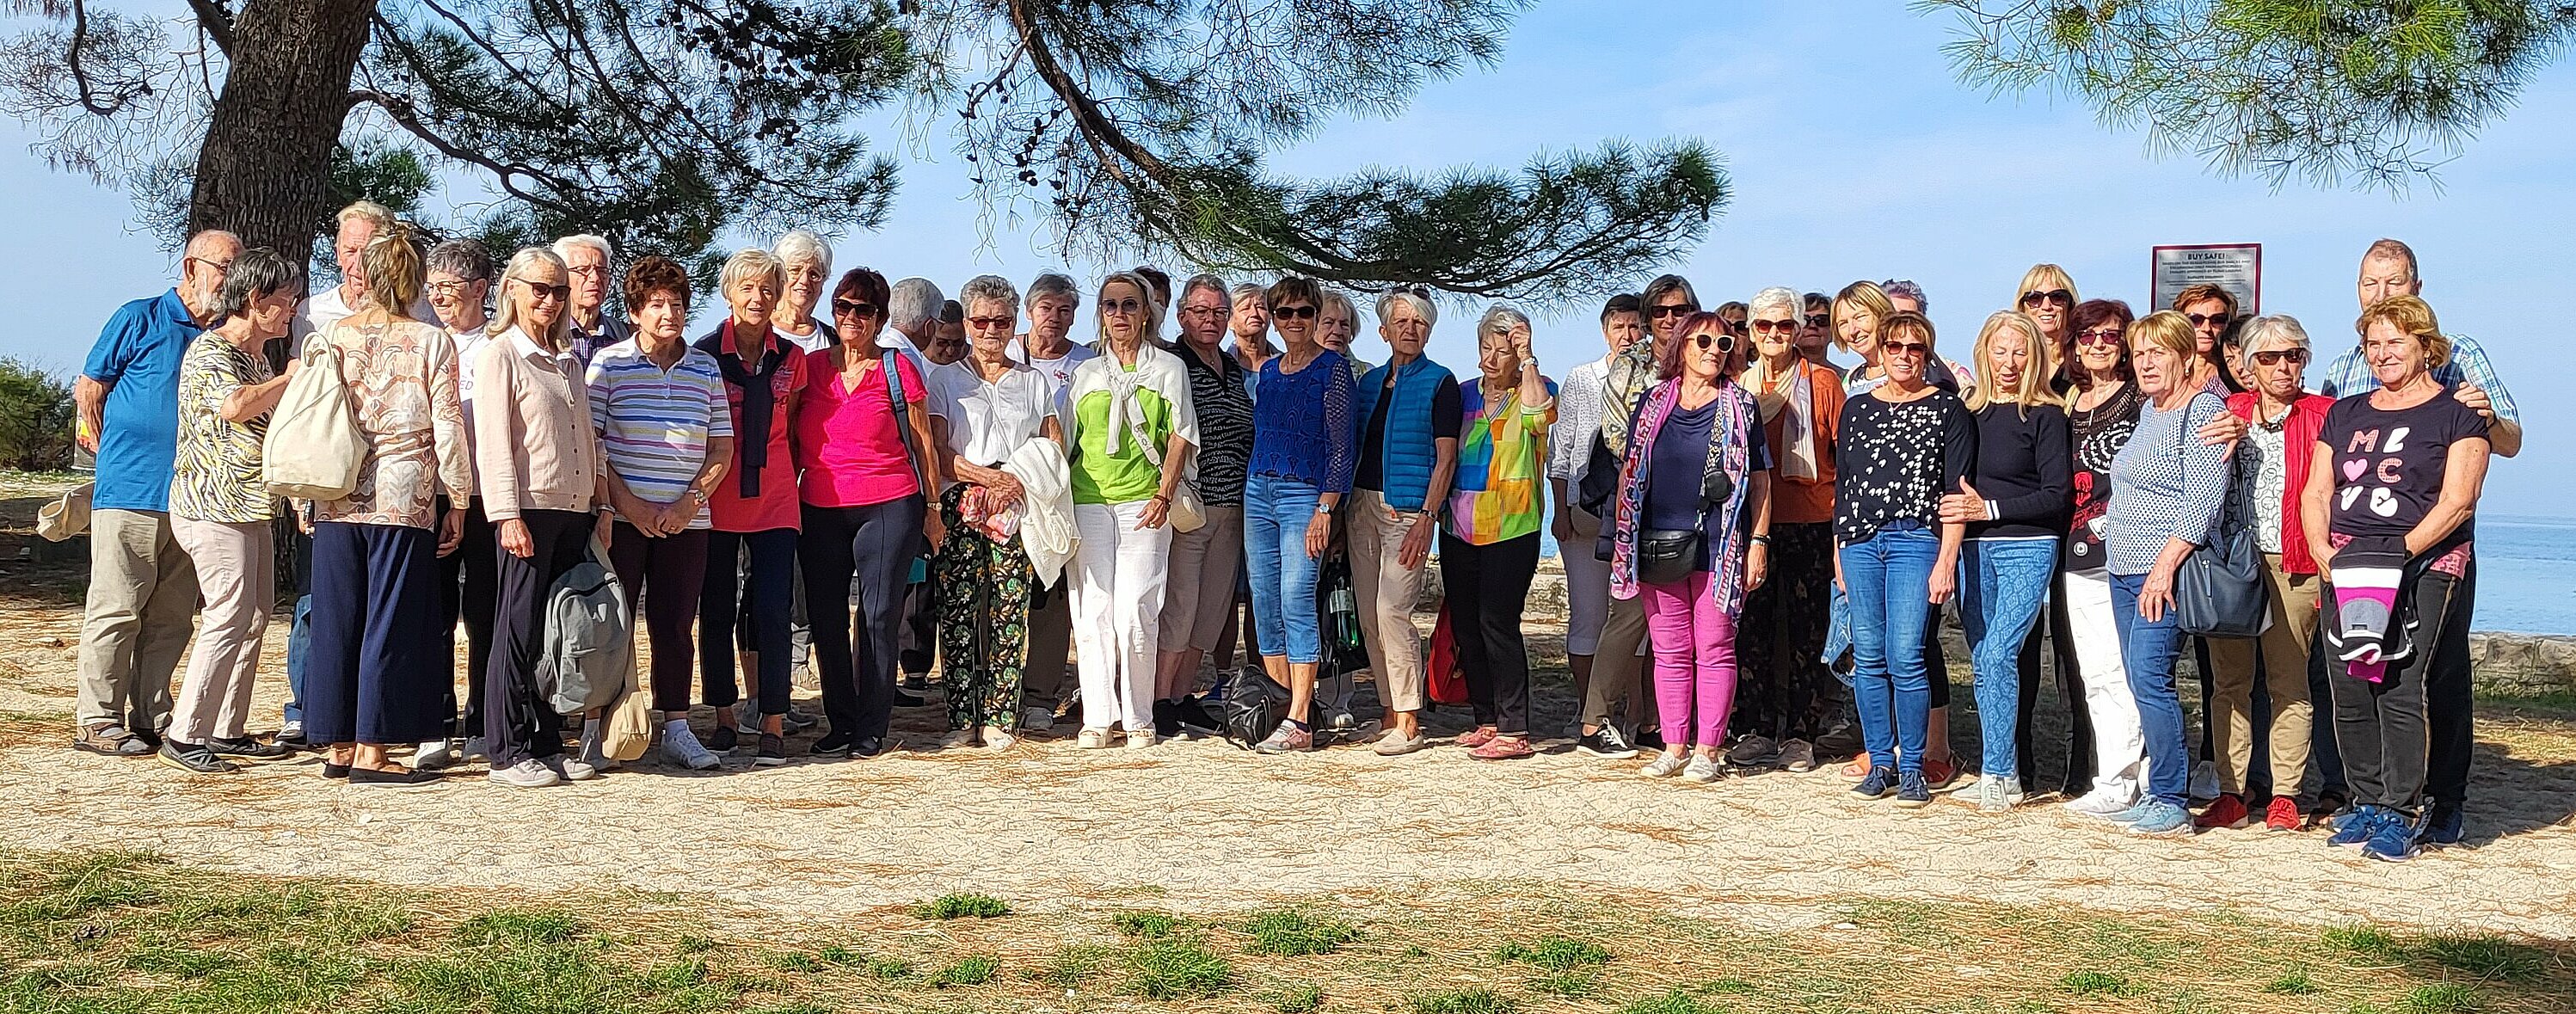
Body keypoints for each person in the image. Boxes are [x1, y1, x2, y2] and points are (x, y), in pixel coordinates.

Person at [2315, 239, 2519, 847]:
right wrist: (2325, 548)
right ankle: (2368, 799)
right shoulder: (2345, 374)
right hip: (2353, 557)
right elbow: (2324, 474)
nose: (2380, 296)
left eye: (2392, 283)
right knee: (2354, 678)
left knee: (2426, 677)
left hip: (2429, 553)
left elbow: (2490, 458)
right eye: (2368, 284)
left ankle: (2433, 802)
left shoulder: (2461, 370)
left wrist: (2486, 416)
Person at [303, 225, 470, 788]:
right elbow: (448, 427)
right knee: (388, 618)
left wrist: (304, 494)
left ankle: (338, 743)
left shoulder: (331, 336)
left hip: (337, 487)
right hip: (403, 493)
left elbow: (311, 416)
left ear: (368, 276)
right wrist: (459, 498)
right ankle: (373, 749)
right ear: (415, 280)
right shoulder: (431, 341)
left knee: (336, 618)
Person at [70, 228, 237, 757]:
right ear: (191, 269)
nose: (231, 280)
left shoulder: (225, 336)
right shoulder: (138, 317)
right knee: (117, 608)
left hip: (194, 499)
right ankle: (97, 719)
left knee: (170, 617)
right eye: (225, 269)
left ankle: (151, 716)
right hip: (130, 493)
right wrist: (108, 449)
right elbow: (90, 388)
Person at [1610, 310, 1772, 783]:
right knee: (1669, 649)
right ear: (1681, 345)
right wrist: (1623, 537)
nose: (1713, 351)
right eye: (1703, 341)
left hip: (1720, 544)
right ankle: (1674, 745)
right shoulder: (1652, 401)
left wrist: (1758, 542)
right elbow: (1630, 471)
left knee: (1716, 646)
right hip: (1656, 542)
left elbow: (1760, 481)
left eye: (1723, 344)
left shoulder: (1742, 406)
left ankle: (1709, 750)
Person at [588, 255, 735, 771]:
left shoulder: (705, 368)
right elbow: (594, 445)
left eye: (676, 303)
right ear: (634, 312)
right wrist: (629, 506)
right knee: (611, 625)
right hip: (622, 522)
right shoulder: (608, 365)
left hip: (686, 522)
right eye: (656, 304)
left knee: (675, 626)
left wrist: (687, 504)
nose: (669, 313)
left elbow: (721, 448)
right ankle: (599, 731)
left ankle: (676, 726)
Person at [158, 247, 300, 773]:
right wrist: (291, 377)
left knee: (256, 614)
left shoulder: (256, 359)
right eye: (285, 300)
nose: (291, 310)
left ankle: (225, 727)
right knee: (227, 614)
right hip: (212, 507)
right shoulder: (210, 351)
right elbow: (235, 406)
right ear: (256, 299)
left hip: (250, 505)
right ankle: (186, 733)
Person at [475, 246, 612, 785]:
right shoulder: (500, 355)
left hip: (573, 511)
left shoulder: (568, 359)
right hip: (528, 511)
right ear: (513, 290)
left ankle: (548, 742)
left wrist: (600, 504)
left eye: (559, 290)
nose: (551, 300)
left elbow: (590, 440)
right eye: (540, 289)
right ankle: (506, 749)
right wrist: (506, 515)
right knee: (516, 629)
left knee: (556, 631)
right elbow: (493, 443)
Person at [796, 267, 938, 759]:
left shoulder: (897, 369)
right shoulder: (811, 368)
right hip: (820, 506)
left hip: (889, 504)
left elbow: (923, 442)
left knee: (877, 616)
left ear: (879, 318)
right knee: (826, 618)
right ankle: (841, 721)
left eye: (864, 310)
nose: (852, 318)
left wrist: (933, 508)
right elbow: (787, 434)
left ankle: (871, 727)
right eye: (843, 307)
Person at [2100, 310, 2231, 836]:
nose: (2146, 363)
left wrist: (2163, 569)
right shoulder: (2150, 412)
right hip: (2123, 567)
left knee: (2152, 677)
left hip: (2164, 572)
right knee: (2138, 679)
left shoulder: (2203, 411)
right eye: (2139, 354)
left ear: (2185, 357)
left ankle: (2171, 799)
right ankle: (2158, 790)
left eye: (2158, 353)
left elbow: (2203, 501)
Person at [1835, 311, 1974, 808]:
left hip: (1916, 540)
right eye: (1895, 346)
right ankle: (1880, 762)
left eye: (1915, 348)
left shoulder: (1948, 408)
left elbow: (1957, 493)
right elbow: (1844, 486)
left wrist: (1947, 559)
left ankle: (1913, 767)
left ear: (1927, 354)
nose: (1904, 356)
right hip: (1860, 542)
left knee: (1907, 654)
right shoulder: (1856, 409)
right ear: (1882, 349)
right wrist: (1838, 551)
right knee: (1868, 655)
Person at [2197, 315, 2330, 832]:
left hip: (2295, 563)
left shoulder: (2325, 415)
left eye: (2293, 355)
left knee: (2289, 680)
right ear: (2248, 365)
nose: (2282, 367)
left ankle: (2285, 794)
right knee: (2230, 681)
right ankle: (2232, 791)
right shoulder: (2227, 411)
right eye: (2269, 357)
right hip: (2233, 564)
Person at [1938, 311, 2070, 812]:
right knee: (1983, 661)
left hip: (2027, 546)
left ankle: (2000, 773)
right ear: (1984, 353)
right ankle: (2001, 769)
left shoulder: (2046, 416)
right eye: (2000, 350)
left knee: (1998, 655)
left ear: (2035, 355)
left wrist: (1989, 509)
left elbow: (2056, 496)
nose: (2010, 362)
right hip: (1973, 549)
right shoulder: (1964, 412)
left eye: (2020, 351)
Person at [929, 275, 1067, 748]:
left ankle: (1000, 716)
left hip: (1015, 503)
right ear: (967, 324)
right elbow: (939, 452)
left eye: (1002, 321)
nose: (991, 330)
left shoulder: (1033, 381)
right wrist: (989, 479)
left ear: (1013, 325)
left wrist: (1014, 481)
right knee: (959, 610)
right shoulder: (945, 379)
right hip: (962, 499)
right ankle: (961, 717)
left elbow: (1052, 445)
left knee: (1010, 609)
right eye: (982, 320)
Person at [1064, 272, 1199, 749]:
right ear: (1101, 314)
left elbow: (1181, 433)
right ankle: (1098, 717)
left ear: (1146, 314)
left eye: (1129, 305)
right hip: (1089, 501)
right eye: (1110, 305)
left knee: (1137, 608)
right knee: (1093, 610)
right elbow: (1068, 438)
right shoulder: (1085, 374)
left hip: (1145, 502)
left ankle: (1139, 717)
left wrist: (1164, 493)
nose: (1119, 314)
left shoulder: (1168, 368)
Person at [695, 249, 808, 767]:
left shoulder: (792, 358)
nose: (758, 298)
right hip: (717, 496)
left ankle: (773, 721)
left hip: (776, 497)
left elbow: (797, 423)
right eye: (747, 288)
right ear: (728, 294)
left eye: (767, 288)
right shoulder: (703, 356)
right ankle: (723, 716)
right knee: (717, 608)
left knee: (772, 610)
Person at [1242, 277, 1358, 754]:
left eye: (1304, 312)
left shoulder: (1333, 369)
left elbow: (1342, 448)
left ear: (1315, 316)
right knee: (1265, 603)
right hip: (1258, 489)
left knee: (1296, 599)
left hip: (1304, 495)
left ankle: (1301, 718)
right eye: (1285, 312)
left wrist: (1326, 508)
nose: (1294, 320)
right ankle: (1280, 707)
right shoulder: (1268, 372)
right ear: (1273, 317)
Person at [1346, 290, 1460, 757]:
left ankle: (1410, 720)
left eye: (1419, 322)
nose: (1410, 329)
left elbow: (1446, 457)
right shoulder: (1369, 384)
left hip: (1408, 512)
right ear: (1384, 331)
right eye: (1401, 321)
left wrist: (1427, 517)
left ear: (1429, 332)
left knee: (1393, 611)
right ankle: (1389, 713)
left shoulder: (1440, 382)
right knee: (1369, 615)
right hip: (1361, 508)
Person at [1734, 287, 1843, 773]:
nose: (1774, 334)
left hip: (1812, 521)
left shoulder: (1823, 383)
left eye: (1784, 325)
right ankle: (1755, 729)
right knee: (1751, 629)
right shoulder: (1739, 386)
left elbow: (1845, 458)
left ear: (1798, 330)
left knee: (1807, 633)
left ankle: (1802, 734)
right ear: (1752, 332)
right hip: (1751, 523)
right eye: (1764, 325)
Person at [1589, 274, 1699, 752]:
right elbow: (1618, 436)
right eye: (1661, 311)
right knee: (1630, 615)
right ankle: (1593, 720)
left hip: (1696, 511)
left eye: (1680, 310)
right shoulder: (1629, 367)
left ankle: (1659, 722)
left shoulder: (1705, 358)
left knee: (1677, 622)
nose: (1671, 319)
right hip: (1640, 506)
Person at [1444, 306, 1557, 760]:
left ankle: (1515, 727)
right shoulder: (1462, 394)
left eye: (1502, 351)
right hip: (1460, 524)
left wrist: (1528, 358)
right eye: (1485, 348)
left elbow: (1539, 418)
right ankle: (1486, 717)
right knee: (1467, 624)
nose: (1491, 359)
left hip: (1513, 524)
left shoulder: (1538, 387)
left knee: (1499, 622)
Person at [2056, 299, 2145, 816]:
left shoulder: (2143, 397)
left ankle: (2140, 777)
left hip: (2136, 549)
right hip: (2079, 551)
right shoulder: (2068, 403)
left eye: (2110, 336)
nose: (2097, 346)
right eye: (2086, 337)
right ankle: (2114, 777)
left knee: (2138, 668)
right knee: (2097, 670)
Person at [416, 238, 501, 770]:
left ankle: (483, 720)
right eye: (433, 288)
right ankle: (435, 722)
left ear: (480, 289)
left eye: (449, 287)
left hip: (488, 494)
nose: (439, 298)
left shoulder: (501, 344)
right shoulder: (422, 340)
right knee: (434, 612)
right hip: (431, 492)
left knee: (486, 612)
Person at [1154, 274, 1252, 737]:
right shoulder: (1172, 364)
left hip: (1233, 506)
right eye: (1200, 311)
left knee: (1211, 612)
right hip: (1190, 506)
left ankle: (1182, 695)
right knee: (1180, 606)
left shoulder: (1233, 368)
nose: (1210, 320)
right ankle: (1159, 698)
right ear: (1182, 316)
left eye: (1218, 312)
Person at [1550, 293, 1643, 759]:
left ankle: (1637, 712)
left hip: (1636, 513)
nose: (1628, 335)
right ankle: (1588, 709)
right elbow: (1561, 447)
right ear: (1605, 331)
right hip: (1587, 506)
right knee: (1588, 613)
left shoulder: (1654, 377)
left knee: (1635, 617)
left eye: (1635, 326)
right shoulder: (1582, 378)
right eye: (1619, 326)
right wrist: (1559, 510)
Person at [290, 200, 428, 344]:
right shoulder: (312, 312)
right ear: (338, 254)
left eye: (368, 253)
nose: (359, 264)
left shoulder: (423, 310)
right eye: (350, 251)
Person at [1011, 272, 1098, 396]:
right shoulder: (1007, 351)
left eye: (1064, 311)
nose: (1054, 318)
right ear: (1029, 312)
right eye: (1046, 308)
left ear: (1073, 317)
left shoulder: (1087, 361)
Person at [552, 235, 628, 362]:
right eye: (583, 270)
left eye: (602, 271)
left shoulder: (624, 335)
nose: (595, 278)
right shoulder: (548, 332)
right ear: (561, 277)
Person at [772, 231, 839, 353]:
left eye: (814, 274)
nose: (804, 281)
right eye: (795, 270)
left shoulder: (833, 340)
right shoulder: (757, 331)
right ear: (779, 275)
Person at [2173, 283, 2240, 390]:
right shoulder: (2164, 372)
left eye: (2217, 320)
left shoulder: (2237, 375)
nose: (2207, 328)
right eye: (2195, 320)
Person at [2015, 264, 2079, 365]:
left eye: (2057, 297)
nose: (2046, 306)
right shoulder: (2012, 363)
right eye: (2035, 298)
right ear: (2022, 307)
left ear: (2070, 305)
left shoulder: (2085, 360)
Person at [1318, 289, 1374, 378]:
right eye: (1328, 322)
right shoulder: (1293, 372)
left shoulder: (1368, 375)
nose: (1337, 331)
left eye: (1344, 325)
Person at [1227, 283, 1278, 378]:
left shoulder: (1286, 366)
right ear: (1230, 321)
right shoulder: (1221, 367)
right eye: (1245, 308)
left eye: (1261, 307)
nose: (1254, 314)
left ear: (1270, 316)